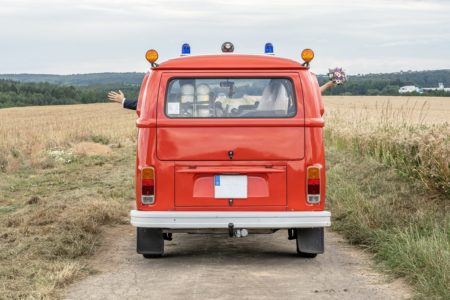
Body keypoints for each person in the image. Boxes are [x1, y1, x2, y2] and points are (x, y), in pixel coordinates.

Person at [108, 80, 337, 111]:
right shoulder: (263, 103)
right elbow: (306, 95)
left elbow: (155, 104)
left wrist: (126, 102)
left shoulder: (195, 105)